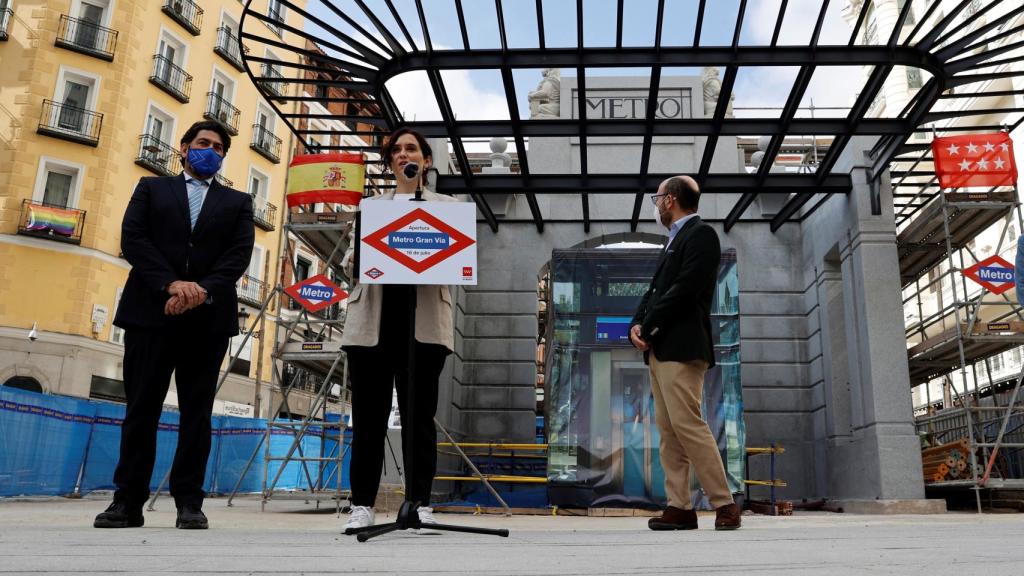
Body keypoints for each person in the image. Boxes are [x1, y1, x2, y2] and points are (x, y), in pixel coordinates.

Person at [94, 120, 255, 530]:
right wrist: (172, 284)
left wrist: (200, 290)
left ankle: (189, 503)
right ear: (183, 148)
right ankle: (126, 502)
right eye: (203, 143)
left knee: (196, 414)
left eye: (219, 147)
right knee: (140, 410)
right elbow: (134, 239)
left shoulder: (238, 203)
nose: (211, 150)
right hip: (150, 313)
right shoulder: (152, 189)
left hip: (208, 320)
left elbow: (238, 256)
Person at [340, 128, 455, 533]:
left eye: (412, 149)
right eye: (396, 150)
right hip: (374, 322)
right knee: (368, 419)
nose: (404, 154)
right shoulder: (369, 208)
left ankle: (420, 502)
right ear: (390, 162)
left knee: (419, 419)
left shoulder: (448, 207)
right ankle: (362, 504)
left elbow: (459, 264)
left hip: (423, 326)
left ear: (425, 160)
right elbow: (351, 262)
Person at [629, 175, 741, 531]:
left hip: (682, 346)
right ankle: (679, 506)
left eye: (658, 198)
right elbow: (655, 290)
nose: (657, 205)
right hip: (662, 349)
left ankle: (724, 504)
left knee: (689, 425)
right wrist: (635, 323)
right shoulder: (673, 242)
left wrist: (650, 326)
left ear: (670, 200)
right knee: (669, 431)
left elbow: (686, 288)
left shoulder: (701, 235)